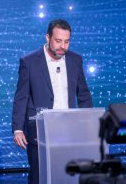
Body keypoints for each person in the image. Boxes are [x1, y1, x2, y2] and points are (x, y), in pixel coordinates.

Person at [12, 19, 93, 184]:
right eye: (58, 41)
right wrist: (18, 129)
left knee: (66, 175)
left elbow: (83, 93)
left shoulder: (75, 60)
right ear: (47, 38)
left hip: (68, 129)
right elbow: (21, 97)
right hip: (39, 129)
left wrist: (88, 122)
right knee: (39, 176)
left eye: (67, 41)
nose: (63, 46)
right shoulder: (29, 62)